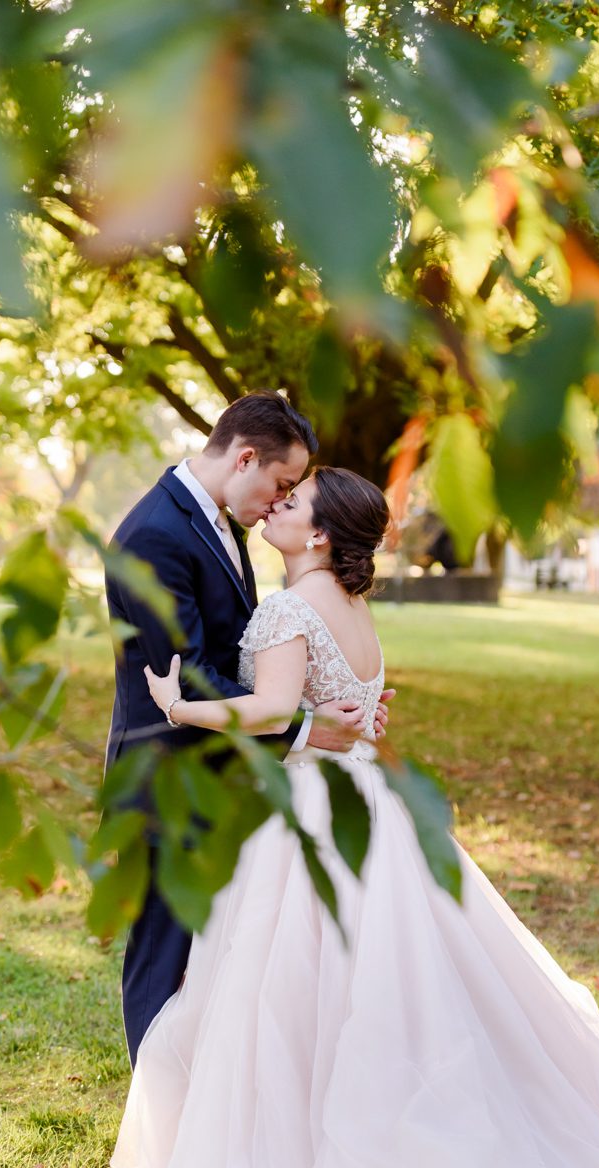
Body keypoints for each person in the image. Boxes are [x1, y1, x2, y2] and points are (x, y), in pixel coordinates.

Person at [111, 466, 599, 1168]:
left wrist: (181, 705)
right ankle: (317, 1136)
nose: (278, 508)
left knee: (293, 982)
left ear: (321, 537)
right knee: (352, 981)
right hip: (373, 807)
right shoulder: (354, 611)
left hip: (314, 814)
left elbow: (268, 709)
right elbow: (357, 711)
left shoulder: (288, 609)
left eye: (293, 504)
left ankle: (291, 1156)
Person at [103, 393, 392, 1068]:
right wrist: (305, 728)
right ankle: (160, 1116)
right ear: (246, 457)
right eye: (282, 486)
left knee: (229, 961)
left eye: (293, 495)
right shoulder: (154, 534)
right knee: (163, 953)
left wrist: (332, 701)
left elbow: (260, 653)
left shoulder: (223, 521)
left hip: (234, 776)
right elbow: (189, 671)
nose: (279, 502)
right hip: (166, 776)